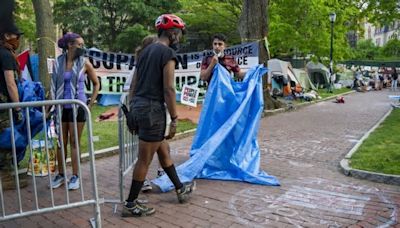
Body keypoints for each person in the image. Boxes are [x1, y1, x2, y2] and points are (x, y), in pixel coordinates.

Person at [123, 14, 194, 217]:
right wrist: (174, 118)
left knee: (163, 150)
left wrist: (133, 109)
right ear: (172, 33)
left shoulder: (144, 52)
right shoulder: (168, 54)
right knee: (144, 160)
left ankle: (180, 188)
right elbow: (169, 89)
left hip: (139, 107)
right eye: (179, 33)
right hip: (153, 111)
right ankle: (130, 204)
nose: (179, 37)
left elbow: (134, 84)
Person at [50, 32, 100, 190]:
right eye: (80, 44)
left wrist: (90, 104)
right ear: (70, 45)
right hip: (60, 107)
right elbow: (52, 85)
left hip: (77, 107)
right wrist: (48, 107)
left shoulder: (85, 63)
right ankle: (61, 175)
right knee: (60, 143)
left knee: (74, 142)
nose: (82, 47)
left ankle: (75, 176)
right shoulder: (57, 63)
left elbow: (96, 84)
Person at [0, 21, 27, 190]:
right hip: (4, 105)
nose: (17, 39)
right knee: (6, 140)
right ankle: (6, 178)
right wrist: (17, 108)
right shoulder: (5, 54)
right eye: (15, 36)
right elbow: (11, 83)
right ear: (6, 36)